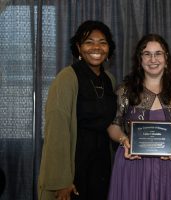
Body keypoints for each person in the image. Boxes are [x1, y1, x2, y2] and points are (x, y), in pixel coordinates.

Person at [107, 33, 171, 200]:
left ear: (166, 58)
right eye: (147, 54)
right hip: (133, 164)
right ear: (140, 60)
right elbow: (114, 125)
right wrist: (123, 140)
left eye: (158, 53)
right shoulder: (124, 91)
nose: (152, 59)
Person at [38, 20, 117, 200]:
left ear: (108, 49)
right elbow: (56, 130)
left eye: (102, 42)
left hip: (101, 163)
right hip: (73, 165)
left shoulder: (109, 80)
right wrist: (61, 180)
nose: (96, 47)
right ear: (78, 48)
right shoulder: (67, 78)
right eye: (89, 42)